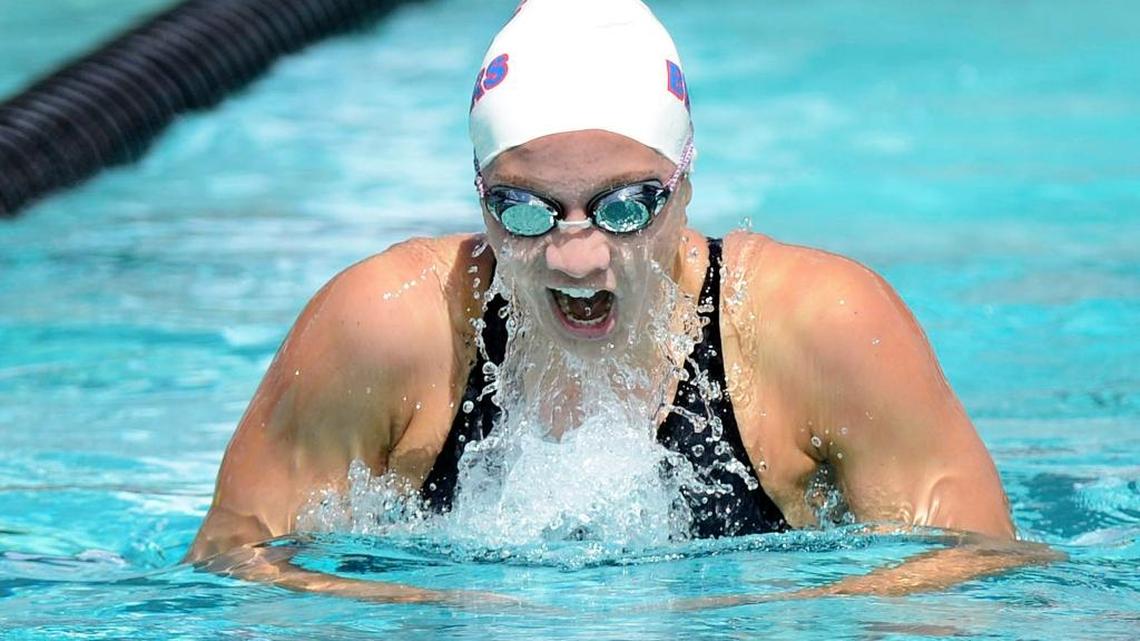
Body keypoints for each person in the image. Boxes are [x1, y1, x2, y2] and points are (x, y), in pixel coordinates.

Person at [185, 0, 1052, 604]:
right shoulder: (389, 325)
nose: (577, 255)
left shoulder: (819, 327)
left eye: (626, 206)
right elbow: (235, 567)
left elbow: (970, 579)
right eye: (522, 210)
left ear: (686, 183)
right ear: (478, 191)